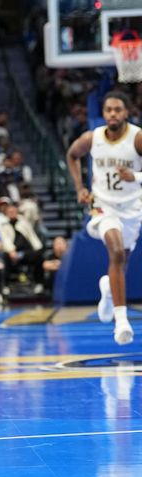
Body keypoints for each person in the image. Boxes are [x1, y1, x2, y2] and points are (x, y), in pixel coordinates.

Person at [66, 90, 141, 345]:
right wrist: (79, 189)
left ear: (126, 112)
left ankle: (109, 289)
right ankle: (121, 322)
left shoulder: (137, 138)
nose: (112, 114)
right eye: (108, 109)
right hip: (102, 206)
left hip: (131, 209)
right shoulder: (93, 137)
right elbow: (72, 155)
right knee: (117, 253)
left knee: (122, 260)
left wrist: (136, 177)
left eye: (117, 109)